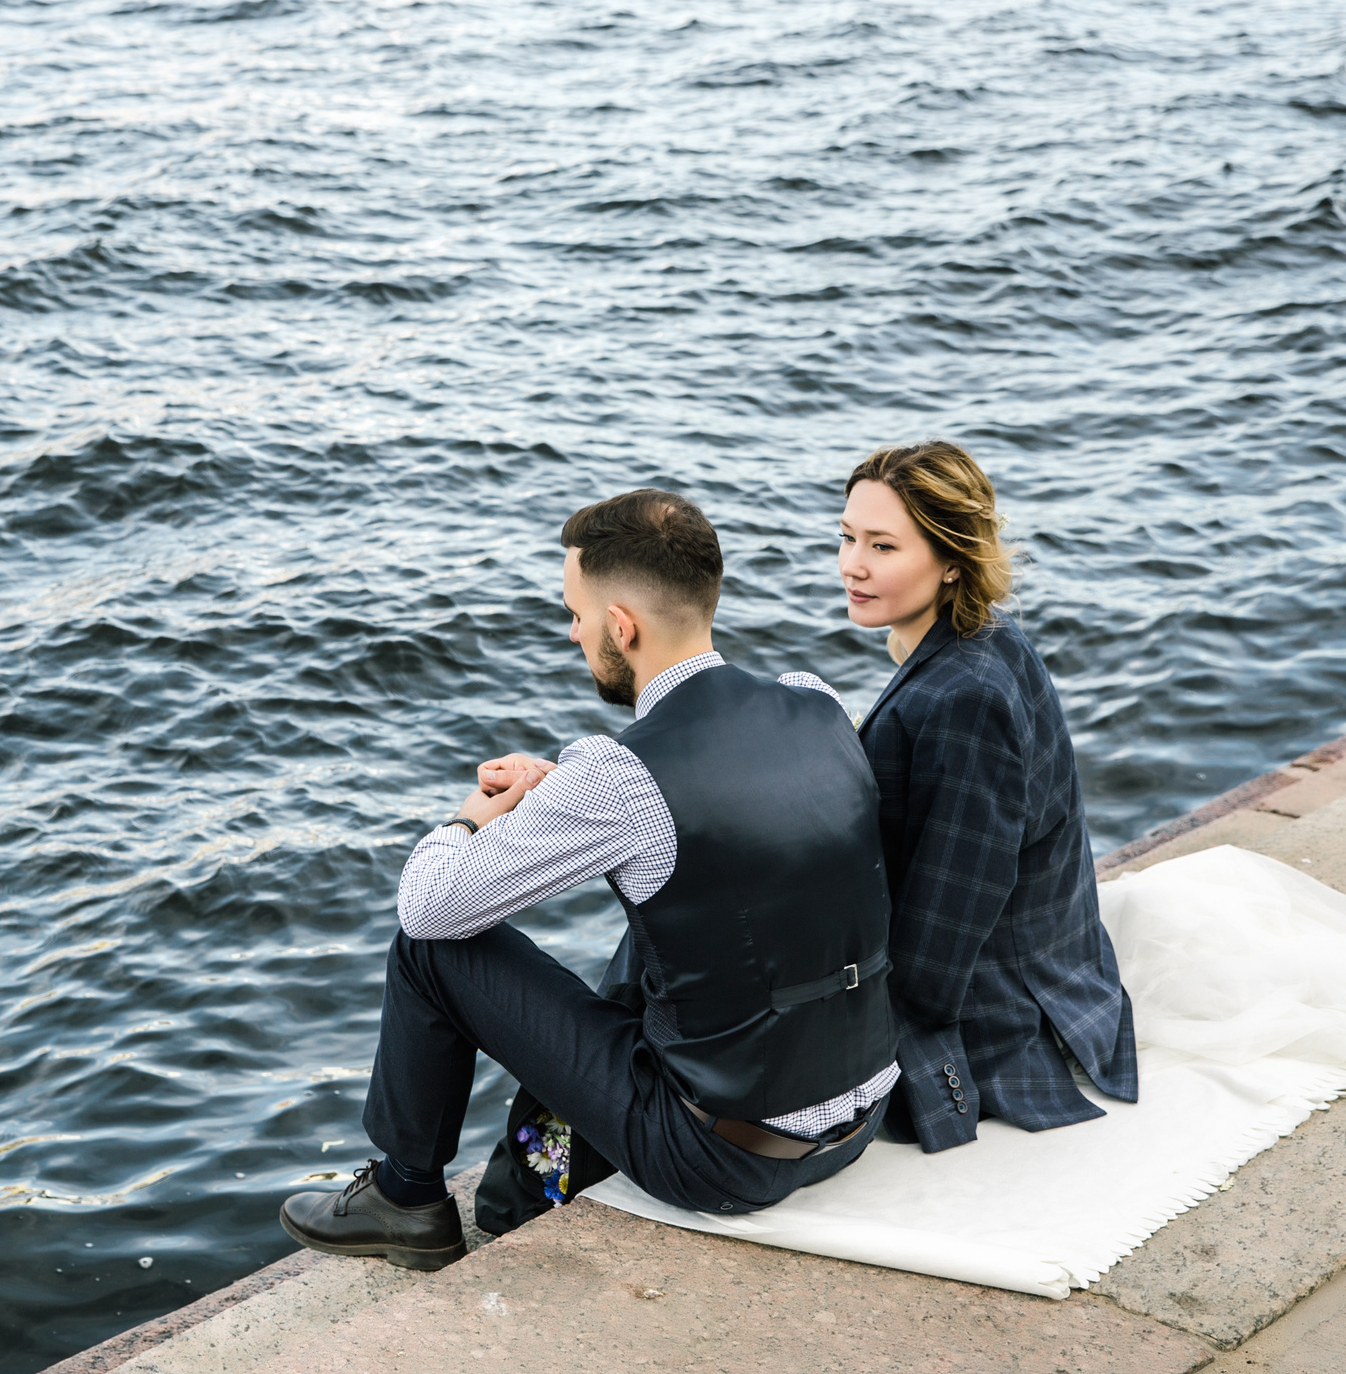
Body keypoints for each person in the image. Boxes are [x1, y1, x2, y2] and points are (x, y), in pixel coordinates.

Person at [279, 489, 899, 1270]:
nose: (571, 632)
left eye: (575, 613)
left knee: (429, 947)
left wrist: (476, 817)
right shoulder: (817, 702)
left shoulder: (618, 775)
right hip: (861, 1111)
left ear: (621, 625)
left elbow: (429, 904)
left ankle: (406, 1198)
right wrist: (563, 793)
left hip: (727, 1160)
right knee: (687, 907)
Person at [839, 442, 1136, 1152]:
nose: (853, 564)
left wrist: (858, 1037)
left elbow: (947, 924)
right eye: (848, 537)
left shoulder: (964, 698)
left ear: (950, 559)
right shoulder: (986, 638)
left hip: (999, 1014)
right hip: (1048, 956)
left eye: (883, 545)